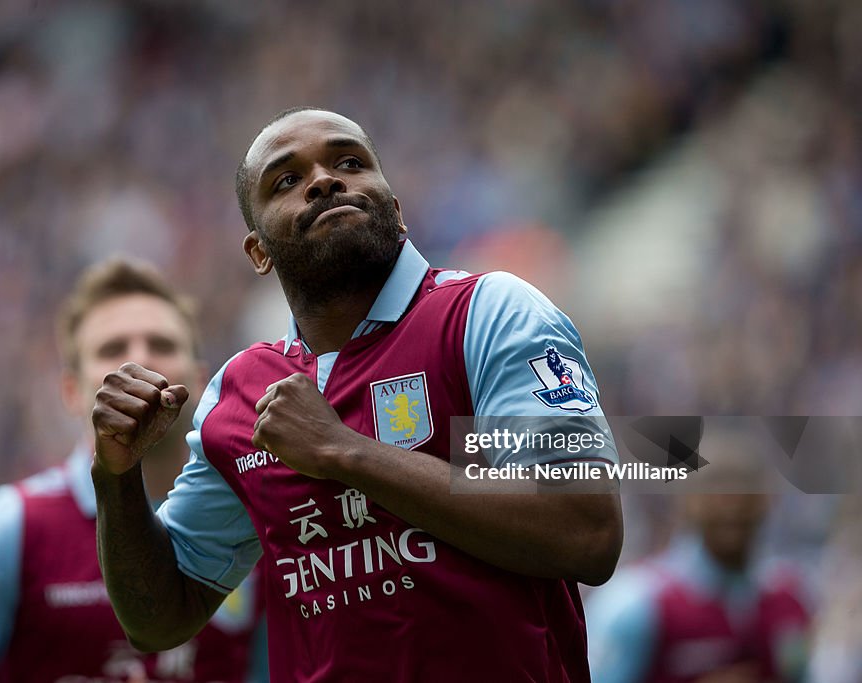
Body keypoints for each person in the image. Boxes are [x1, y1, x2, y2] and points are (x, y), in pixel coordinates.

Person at [91, 107, 624, 681]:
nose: (324, 180)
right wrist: (116, 476)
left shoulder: (486, 313)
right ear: (258, 253)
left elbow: (586, 530)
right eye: (286, 181)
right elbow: (160, 619)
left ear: (396, 212)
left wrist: (344, 451)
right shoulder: (239, 393)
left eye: (350, 162)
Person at [0, 258, 265, 683]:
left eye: (161, 344)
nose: (139, 360)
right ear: (71, 391)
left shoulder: (252, 520)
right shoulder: (8, 531)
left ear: (202, 380)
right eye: (112, 349)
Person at [586, 430, 811, 683]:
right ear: (687, 500)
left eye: (745, 486)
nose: (733, 501)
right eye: (717, 486)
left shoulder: (789, 600)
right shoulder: (635, 602)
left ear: (769, 500)